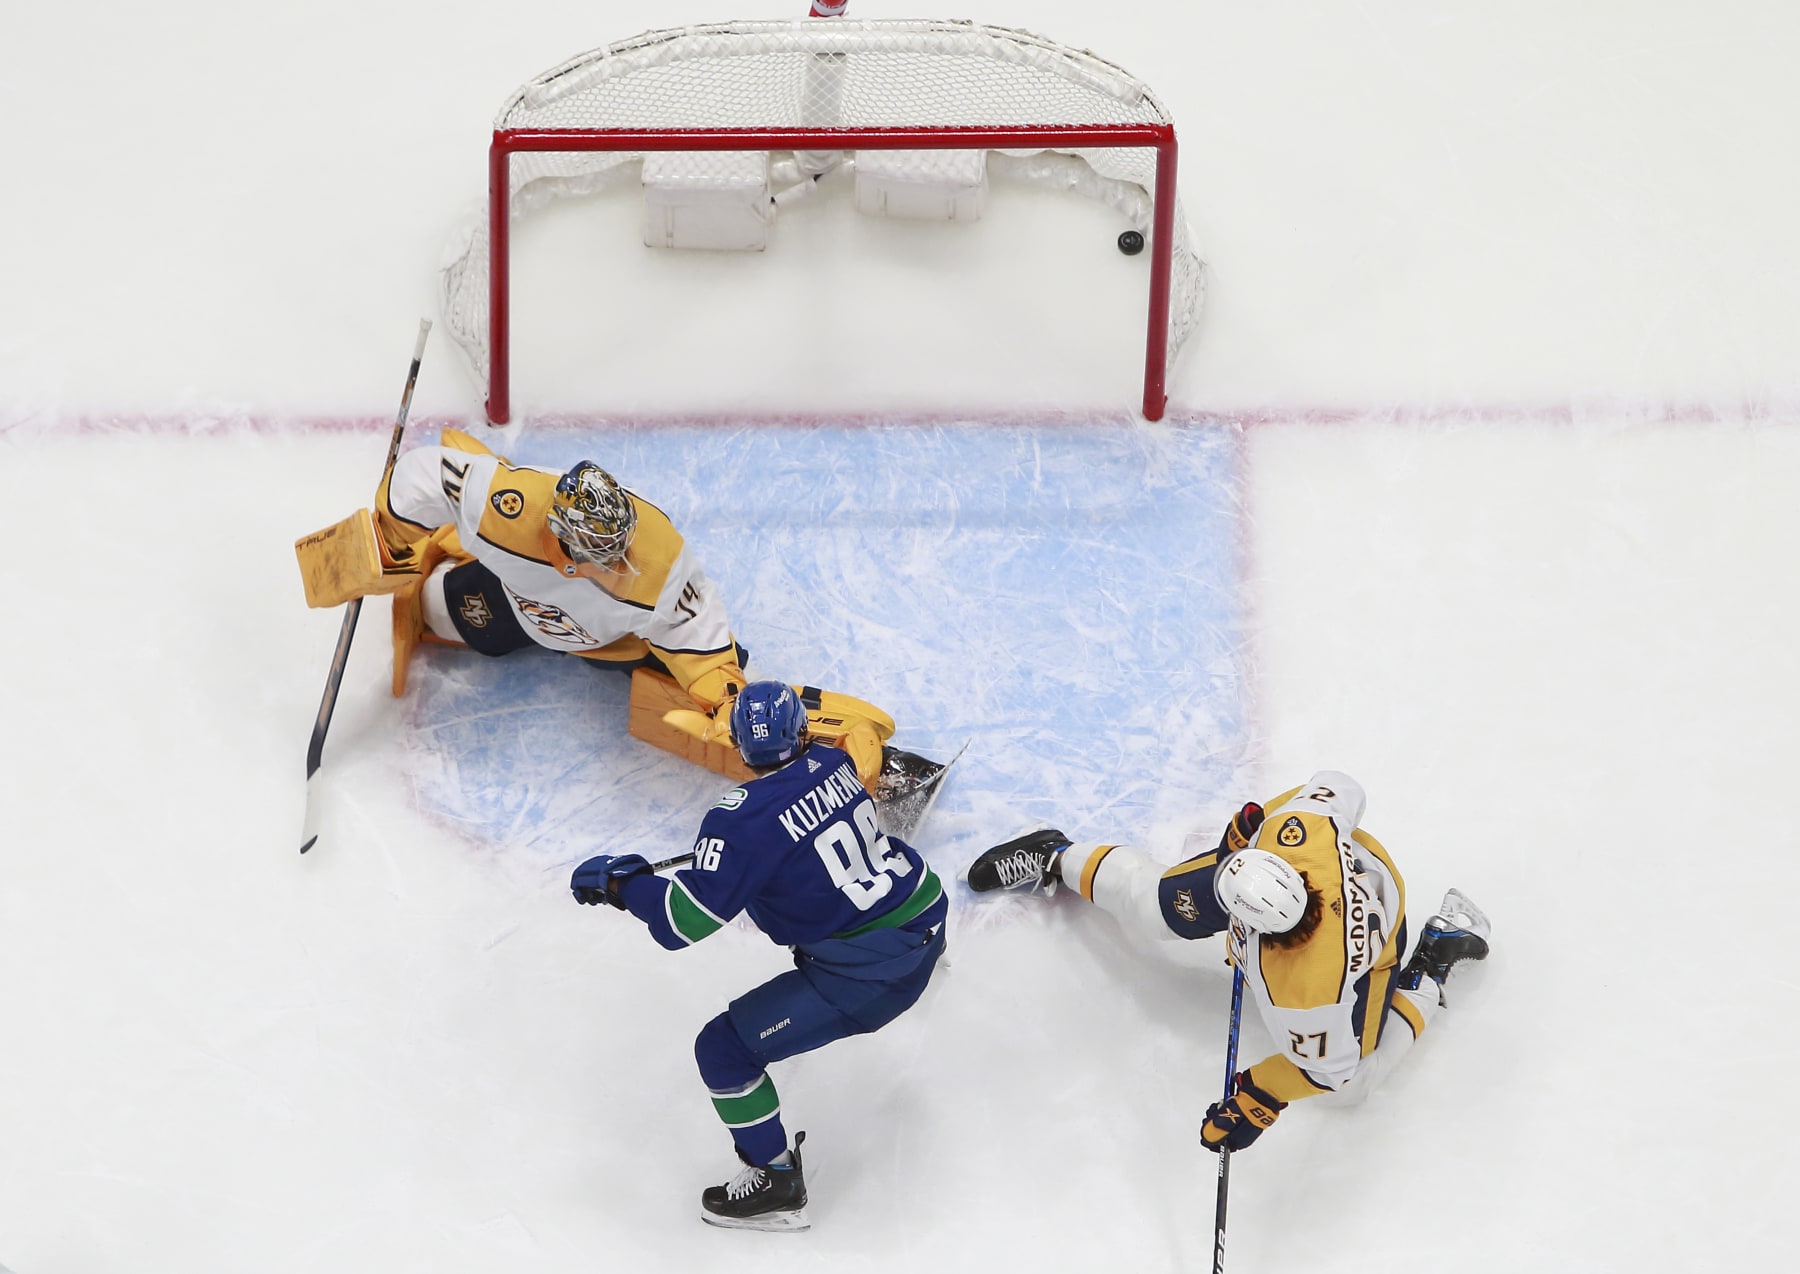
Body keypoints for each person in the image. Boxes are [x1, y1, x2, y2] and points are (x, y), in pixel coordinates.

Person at [570, 680, 949, 1230]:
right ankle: (931, 963)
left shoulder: (739, 821)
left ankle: (776, 1183)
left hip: (874, 976)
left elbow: (681, 923)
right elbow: (793, 833)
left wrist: (622, 887)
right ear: (803, 731)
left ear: (739, 745)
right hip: (927, 916)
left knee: (723, 1052)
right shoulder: (833, 761)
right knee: (866, 926)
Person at [965, 771, 1490, 1152]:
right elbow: (1342, 785)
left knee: (1352, 1088)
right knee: (1152, 904)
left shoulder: (1306, 992)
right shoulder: (1299, 833)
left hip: (1377, 940)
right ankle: (1054, 854)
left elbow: (1328, 1072)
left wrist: (1261, 1096)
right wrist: (1250, 834)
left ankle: (1434, 956)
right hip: (1294, 867)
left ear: (1259, 935)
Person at [371, 429, 747, 711]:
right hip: (517, 605)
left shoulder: (657, 556)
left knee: (706, 670)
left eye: (617, 545)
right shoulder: (514, 509)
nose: (617, 562)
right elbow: (429, 475)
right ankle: (457, 538)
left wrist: (726, 699)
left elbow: (694, 623)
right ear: (563, 533)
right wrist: (386, 536)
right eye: (599, 549)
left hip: (609, 641)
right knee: (434, 607)